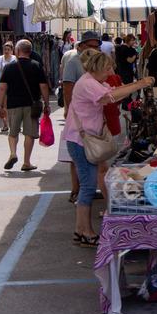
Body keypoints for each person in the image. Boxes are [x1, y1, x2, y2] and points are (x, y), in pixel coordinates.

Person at [63, 49, 153, 246]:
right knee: (87, 186)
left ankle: (80, 229)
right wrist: (139, 84)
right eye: (107, 69)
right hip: (80, 140)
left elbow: (113, 93)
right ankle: (86, 231)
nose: (110, 72)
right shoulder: (87, 83)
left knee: (88, 184)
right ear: (98, 68)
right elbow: (109, 97)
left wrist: (135, 85)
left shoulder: (93, 82)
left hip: (82, 138)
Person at [0, 39, 50, 172]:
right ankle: (26, 162)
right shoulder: (36, 65)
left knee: (13, 132)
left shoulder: (9, 67)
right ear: (30, 51)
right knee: (29, 134)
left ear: (18, 51)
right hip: (31, 105)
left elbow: (2, 88)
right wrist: (47, 103)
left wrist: (0, 106)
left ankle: (13, 153)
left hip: (13, 104)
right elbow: (43, 86)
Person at [62, 30, 103, 202]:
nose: (95, 49)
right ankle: (76, 188)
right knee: (77, 155)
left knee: (90, 153)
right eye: (92, 46)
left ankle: (87, 187)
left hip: (90, 115)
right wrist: (69, 108)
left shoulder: (94, 61)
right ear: (83, 46)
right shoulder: (74, 62)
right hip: (79, 116)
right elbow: (67, 86)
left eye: (97, 46)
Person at [0, 42, 17, 132]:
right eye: (5, 49)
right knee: (0, 106)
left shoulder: (15, 59)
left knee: (8, 105)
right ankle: (5, 123)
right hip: (1, 84)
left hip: (11, 85)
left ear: (12, 50)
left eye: (8, 49)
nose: (6, 51)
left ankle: (9, 124)